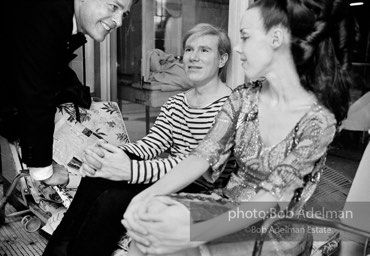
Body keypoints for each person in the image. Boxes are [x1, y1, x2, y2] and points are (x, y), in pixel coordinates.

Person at [122, 0, 355, 255]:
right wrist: (146, 195)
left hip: (274, 228)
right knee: (149, 225)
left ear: (276, 39)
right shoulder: (243, 97)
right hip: (227, 204)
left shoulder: (319, 120)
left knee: (186, 248)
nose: (238, 49)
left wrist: (194, 235)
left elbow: (271, 199)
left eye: (245, 37)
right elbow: (201, 156)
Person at [42, 23, 233, 256]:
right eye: (189, 49)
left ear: (222, 60)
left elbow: (197, 164)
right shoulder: (175, 103)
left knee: (112, 200)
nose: (193, 57)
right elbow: (152, 144)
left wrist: (131, 170)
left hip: (203, 187)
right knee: (101, 170)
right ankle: (60, 247)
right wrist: (113, 153)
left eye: (204, 50)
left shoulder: (230, 107)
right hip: (168, 176)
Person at [1, 0, 134, 187]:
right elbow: (36, 93)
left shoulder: (59, 19)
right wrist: (44, 172)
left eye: (125, 14)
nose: (119, 21)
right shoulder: (45, 13)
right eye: (113, 6)